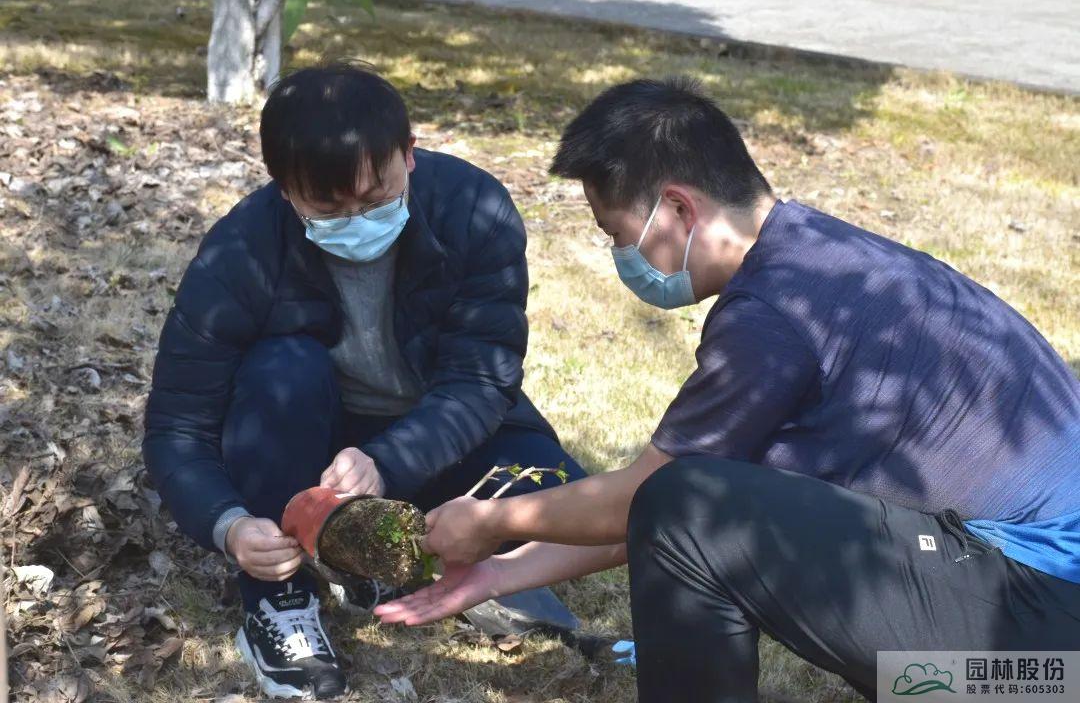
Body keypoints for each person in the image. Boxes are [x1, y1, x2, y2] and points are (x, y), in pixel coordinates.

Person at [375, 77, 1080, 702]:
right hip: (1042, 639)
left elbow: (657, 501)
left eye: (616, 233)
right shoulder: (825, 256)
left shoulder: (772, 315)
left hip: (1033, 656)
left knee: (685, 498)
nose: (619, 255)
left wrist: (492, 523)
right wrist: (499, 577)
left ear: (679, 209)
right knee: (690, 498)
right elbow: (658, 517)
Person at [142, 63, 586, 699]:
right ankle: (280, 601)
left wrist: (387, 460)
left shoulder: (474, 209)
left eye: (377, 197)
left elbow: (480, 382)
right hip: (303, 442)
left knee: (558, 497)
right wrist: (230, 524)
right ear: (284, 189)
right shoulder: (238, 253)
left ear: (409, 153)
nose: (357, 220)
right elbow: (177, 426)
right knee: (283, 371)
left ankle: (408, 562)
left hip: (432, 430)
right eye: (328, 208)